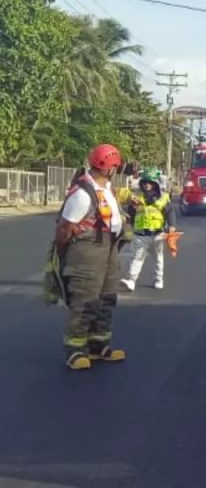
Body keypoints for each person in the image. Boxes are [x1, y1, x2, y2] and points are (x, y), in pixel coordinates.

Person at [54, 144, 127, 370]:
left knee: (106, 296)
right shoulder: (83, 194)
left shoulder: (105, 189)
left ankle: (99, 345)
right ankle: (75, 350)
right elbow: (65, 227)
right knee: (85, 298)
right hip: (87, 249)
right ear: (111, 168)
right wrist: (62, 252)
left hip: (109, 247)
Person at [120, 168, 176, 292]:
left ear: (155, 184)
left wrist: (172, 226)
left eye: (150, 183)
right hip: (141, 234)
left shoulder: (163, 198)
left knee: (158, 259)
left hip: (157, 234)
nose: (147, 185)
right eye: (145, 182)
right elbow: (131, 215)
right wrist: (132, 208)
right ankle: (131, 280)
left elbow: (170, 213)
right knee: (137, 258)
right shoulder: (137, 198)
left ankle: (158, 279)